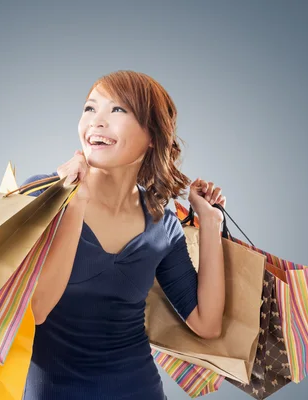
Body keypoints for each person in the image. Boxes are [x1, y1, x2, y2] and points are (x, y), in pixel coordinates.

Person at [20, 70, 227, 400]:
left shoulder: (162, 221)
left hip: (139, 389)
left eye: (117, 110)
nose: (97, 122)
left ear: (152, 137)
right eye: (90, 108)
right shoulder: (41, 197)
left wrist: (209, 220)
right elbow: (36, 310)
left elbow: (206, 324)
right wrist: (75, 202)